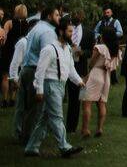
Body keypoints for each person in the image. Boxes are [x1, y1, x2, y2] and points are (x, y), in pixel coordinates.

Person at [24, 16, 84, 158]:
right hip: (50, 85)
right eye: (69, 32)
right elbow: (40, 71)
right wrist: (39, 89)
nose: (72, 34)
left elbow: (70, 68)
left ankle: (31, 147)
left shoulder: (67, 49)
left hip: (60, 86)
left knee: (44, 118)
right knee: (57, 117)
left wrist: (79, 81)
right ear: (61, 32)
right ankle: (64, 146)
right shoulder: (49, 49)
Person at [16, 6, 60, 145]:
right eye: (57, 14)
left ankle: (25, 136)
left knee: (28, 107)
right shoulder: (48, 31)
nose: (59, 17)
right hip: (35, 70)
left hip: (27, 69)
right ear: (49, 16)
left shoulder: (36, 27)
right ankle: (30, 139)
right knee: (36, 109)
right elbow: (47, 55)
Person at [79, 29, 119, 137]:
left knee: (86, 102)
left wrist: (88, 70)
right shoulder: (114, 51)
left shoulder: (100, 47)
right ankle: (99, 128)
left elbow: (92, 62)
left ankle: (85, 129)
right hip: (106, 76)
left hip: (95, 74)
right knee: (102, 103)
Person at [0, 3, 24, 108]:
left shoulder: (9, 23)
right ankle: (13, 99)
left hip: (8, 51)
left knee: (5, 76)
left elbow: (3, 37)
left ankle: (4, 99)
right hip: (20, 52)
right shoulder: (27, 24)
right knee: (16, 75)